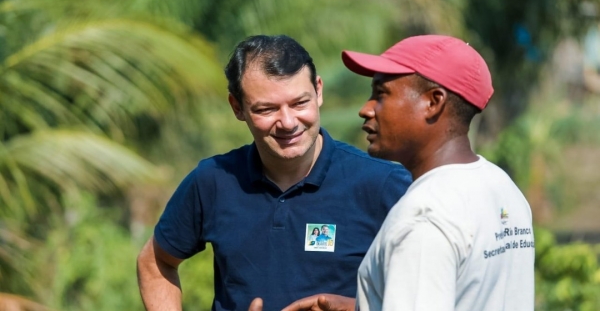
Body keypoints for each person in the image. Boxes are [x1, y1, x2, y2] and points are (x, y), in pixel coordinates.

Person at [136, 34, 412, 311]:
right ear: (237, 107)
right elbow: (155, 262)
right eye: (267, 109)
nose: (288, 122)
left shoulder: (384, 185)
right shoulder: (213, 180)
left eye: (299, 103)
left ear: (318, 91)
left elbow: (432, 290)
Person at [279, 35, 535, 311]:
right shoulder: (501, 188)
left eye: (381, 94)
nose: (365, 109)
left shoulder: (423, 217)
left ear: (433, 102)